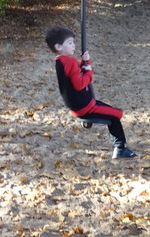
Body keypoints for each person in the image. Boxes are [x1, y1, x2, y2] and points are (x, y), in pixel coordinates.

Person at [45, 25, 137, 159]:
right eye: (70, 43)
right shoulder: (69, 61)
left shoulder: (61, 61)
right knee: (116, 114)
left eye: (74, 42)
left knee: (110, 111)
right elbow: (79, 84)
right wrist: (89, 72)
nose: (73, 46)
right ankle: (120, 148)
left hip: (78, 104)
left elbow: (75, 74)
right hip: (85, 106)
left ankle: (119, 146)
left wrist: (85, 61)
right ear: (58, 47)